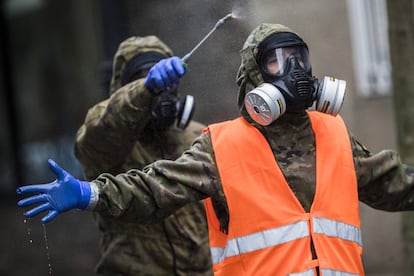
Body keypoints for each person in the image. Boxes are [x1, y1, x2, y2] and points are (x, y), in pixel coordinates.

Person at [16, 23, 414, 276]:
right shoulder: (219, 147)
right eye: (277, 61)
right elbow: (151, 185)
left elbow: (394, 182)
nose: (295, 71)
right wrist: (90, 193)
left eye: (299, 59)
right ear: (255, 79)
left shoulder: (334, 135)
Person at [74, 36, 212, 275]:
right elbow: (103, 130)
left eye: (163, 78)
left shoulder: (198, 135)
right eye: (141, 76)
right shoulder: (106, 139)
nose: (160, 91)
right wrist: (145, 90)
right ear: (124, 88)